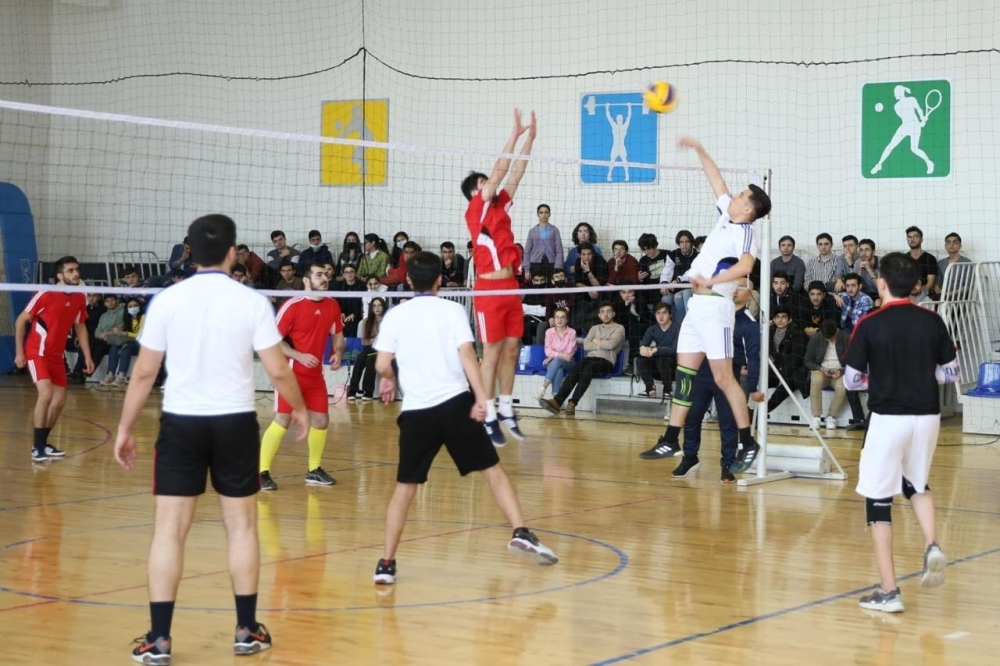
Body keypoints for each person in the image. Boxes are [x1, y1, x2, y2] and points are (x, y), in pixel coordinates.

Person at [113, 214, 309, 663]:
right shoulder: (251, 301)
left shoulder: (167, 300)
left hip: (181, 423)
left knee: (169, 531)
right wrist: (298, 407)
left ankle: (159, 639)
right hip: (234, 423)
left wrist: (125, 427)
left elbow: (144, 372)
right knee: (241, 527)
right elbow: (279, 369)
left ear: (190, 252)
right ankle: (247, 631)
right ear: (233, 252)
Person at [371, 251, 557, 585]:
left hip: (416, 413)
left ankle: (386, 564)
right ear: (440, 280)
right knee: (492, 471)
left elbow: (382, 364)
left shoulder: (395, 316)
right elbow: (469, 356)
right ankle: (520, 531)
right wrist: (482, 399)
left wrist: (387, 378)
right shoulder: (453, 309)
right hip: (456, 405)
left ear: (408, 280)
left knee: (405, 488)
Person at [638, 137, 771, 475]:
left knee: (724, 378)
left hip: (716, 309)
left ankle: (747, 441)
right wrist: (699, 149)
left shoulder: (745, 232)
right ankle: (672, 437)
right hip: (696, 308)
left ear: (748, 209)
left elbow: (746, 266)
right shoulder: (726, 217)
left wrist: (714, 279)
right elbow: (717, 181)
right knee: (684, 375)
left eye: (741, 196)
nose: (734, 196)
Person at [843, 252, 957, 614]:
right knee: (916, 482)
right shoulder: (933, 320)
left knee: (877, 499)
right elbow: (951, 372)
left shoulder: (870, 323)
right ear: (916, 286)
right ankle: (932, 543)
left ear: (881, 283)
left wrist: (879, 378)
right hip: (927, 417)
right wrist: (922, 375)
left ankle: (889, 591)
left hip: (888, 418)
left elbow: (852, 380)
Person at [461, 108, 536, 446]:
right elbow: (501, 170)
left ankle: (506, 408)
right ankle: (487, 413)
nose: (489, 186)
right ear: (474, 193)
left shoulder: (500, 206)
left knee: (512, 348)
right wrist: (514, 134)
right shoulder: (475, 210)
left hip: (510, 285)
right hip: (488, 288)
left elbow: (516, 172)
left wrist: (530, 139)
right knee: (490, 352)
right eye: (483, 184)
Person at [259, 263, 345, 491]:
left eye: (326, 275)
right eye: (319, 275)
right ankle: (261, 472)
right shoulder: (292, 306)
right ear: (306, 281)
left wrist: (338, 352)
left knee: (321, 420)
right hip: (290, 374)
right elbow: (272, 340)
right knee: (282, 420)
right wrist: (299, 355)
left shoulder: (332, 305)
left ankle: (314, 470)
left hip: (315, 376)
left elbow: (338, 334)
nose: (325, 278)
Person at [14, 256, 95, 462]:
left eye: (77, 270)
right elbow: (21, 320)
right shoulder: (46, 294)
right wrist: (19, 352)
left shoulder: (79, 297)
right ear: (60, 276)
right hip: (37, 352)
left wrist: (87, 356)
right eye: (70, 271)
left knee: (59, 401)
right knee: (47, 394)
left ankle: (42, 444)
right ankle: (37, 448)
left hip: (56, 355)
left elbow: (80, 327)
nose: (76, 274)